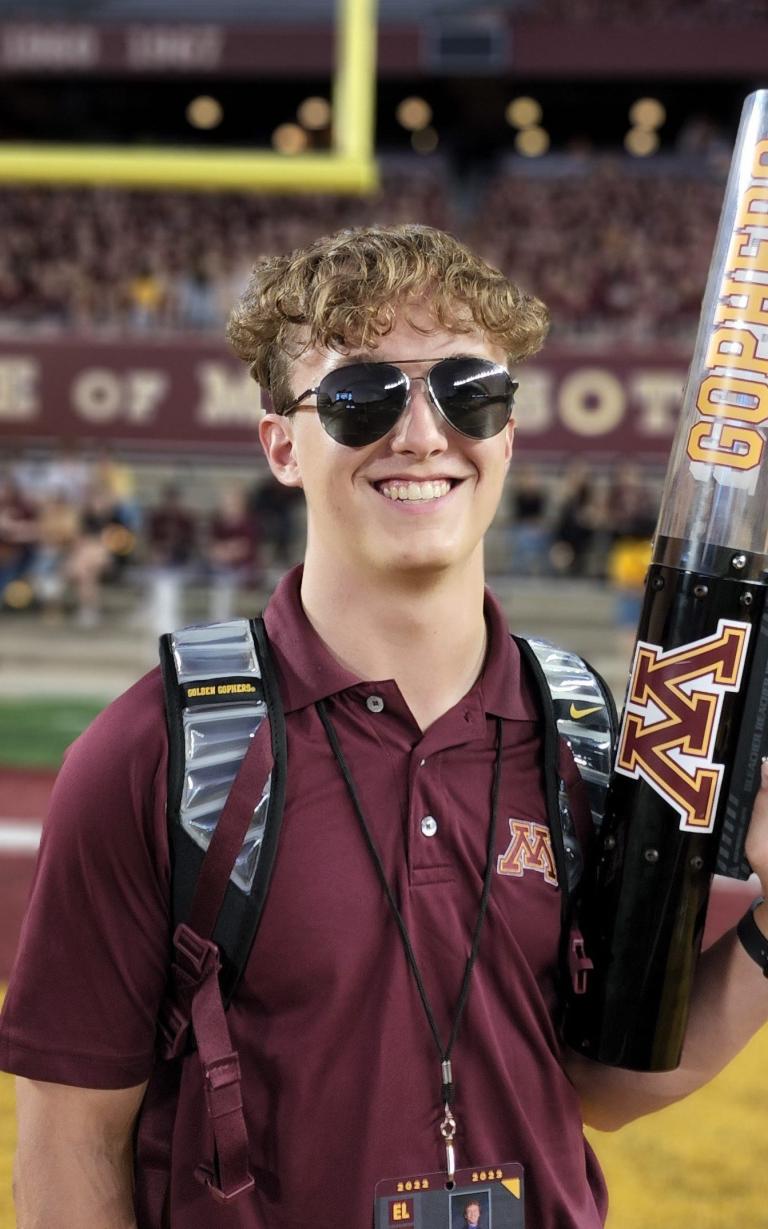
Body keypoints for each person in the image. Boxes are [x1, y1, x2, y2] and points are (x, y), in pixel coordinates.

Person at [2, 224, 768, 1229]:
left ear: (508, 433)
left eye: (468, 390)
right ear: (282, 443)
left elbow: (603, 1082)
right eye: (362, 395)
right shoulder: (156, 753)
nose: (422, 434)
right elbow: (68, 1143)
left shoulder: (583, 738)